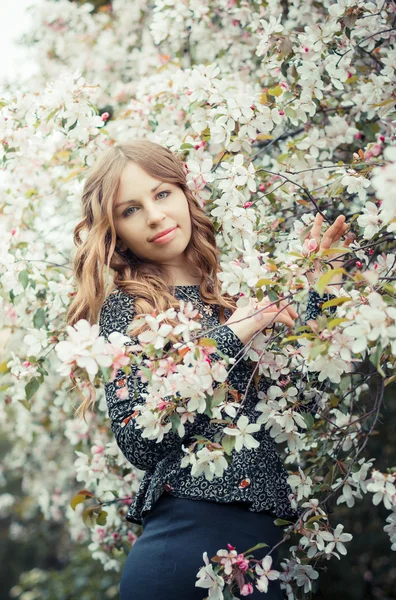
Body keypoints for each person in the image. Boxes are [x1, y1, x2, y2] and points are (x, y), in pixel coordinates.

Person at [67, 139, 352, 599]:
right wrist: (232, 334)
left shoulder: (243, 291)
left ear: (185, 192)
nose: (155, 216)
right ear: (114, 229)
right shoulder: (128, 311)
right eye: (130, 210)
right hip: (182, 548)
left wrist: (324, 285)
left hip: (264, 553)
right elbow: (139, 443)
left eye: (161, 194)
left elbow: (305, 401)